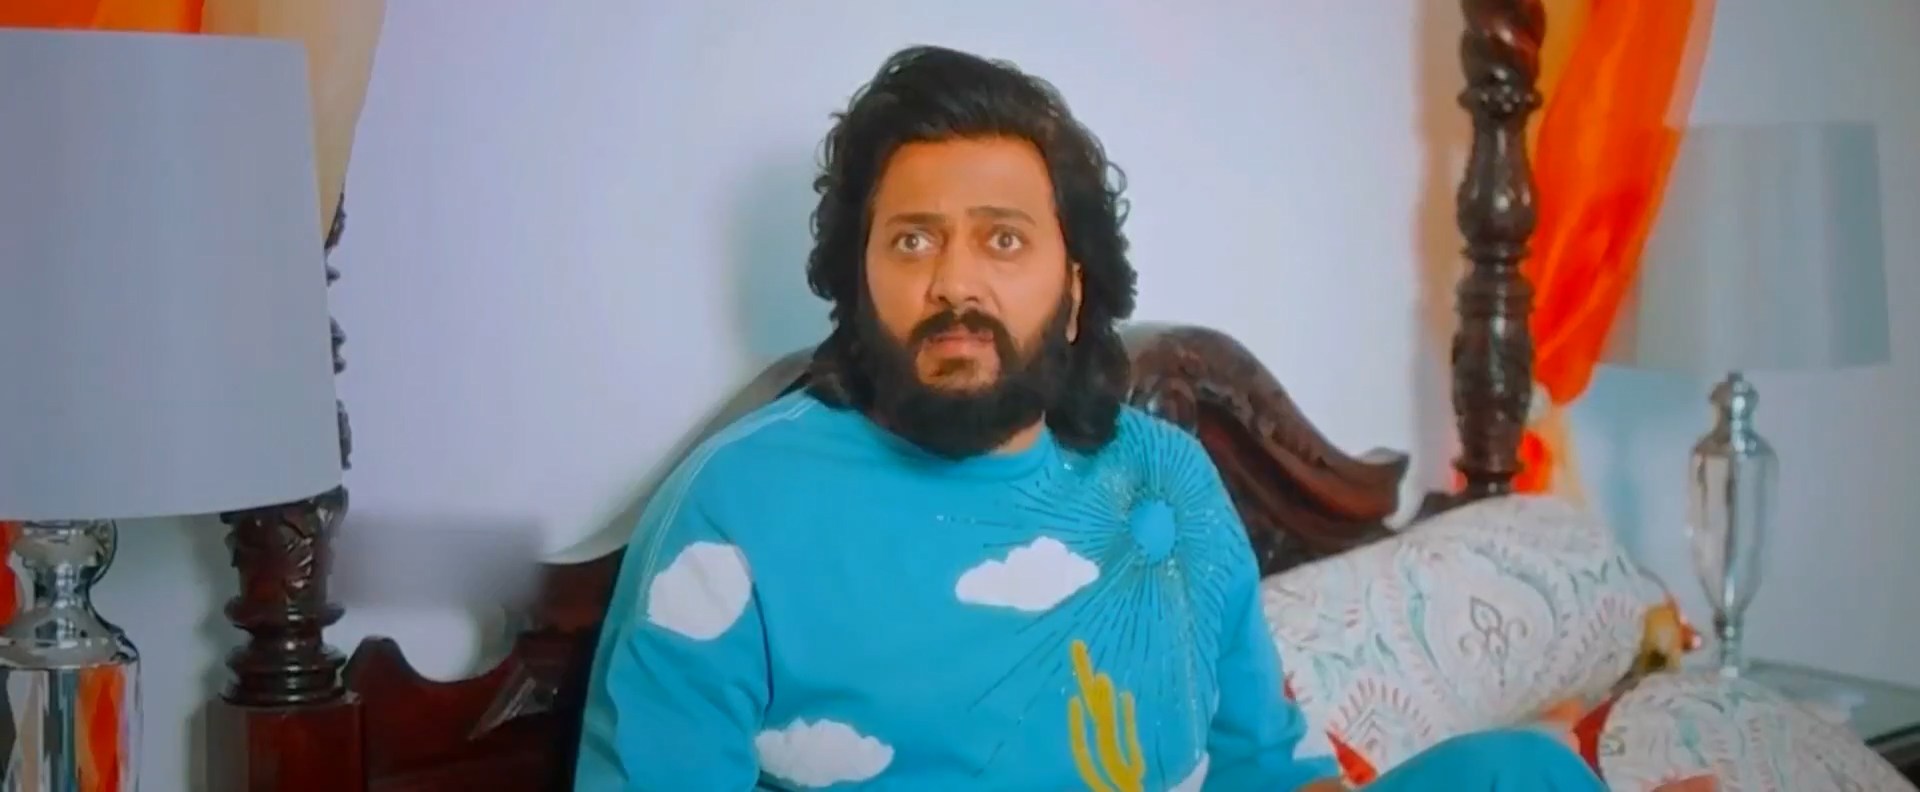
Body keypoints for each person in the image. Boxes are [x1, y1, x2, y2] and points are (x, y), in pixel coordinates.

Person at [574, 45, 1625, 791]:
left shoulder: (1166, 476)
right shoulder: (739, 507)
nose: (954, 283)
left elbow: (1263, 767)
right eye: (911, 240)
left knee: (1522, 771)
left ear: (1074, 291)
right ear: (859, 280)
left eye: (1002, 240)